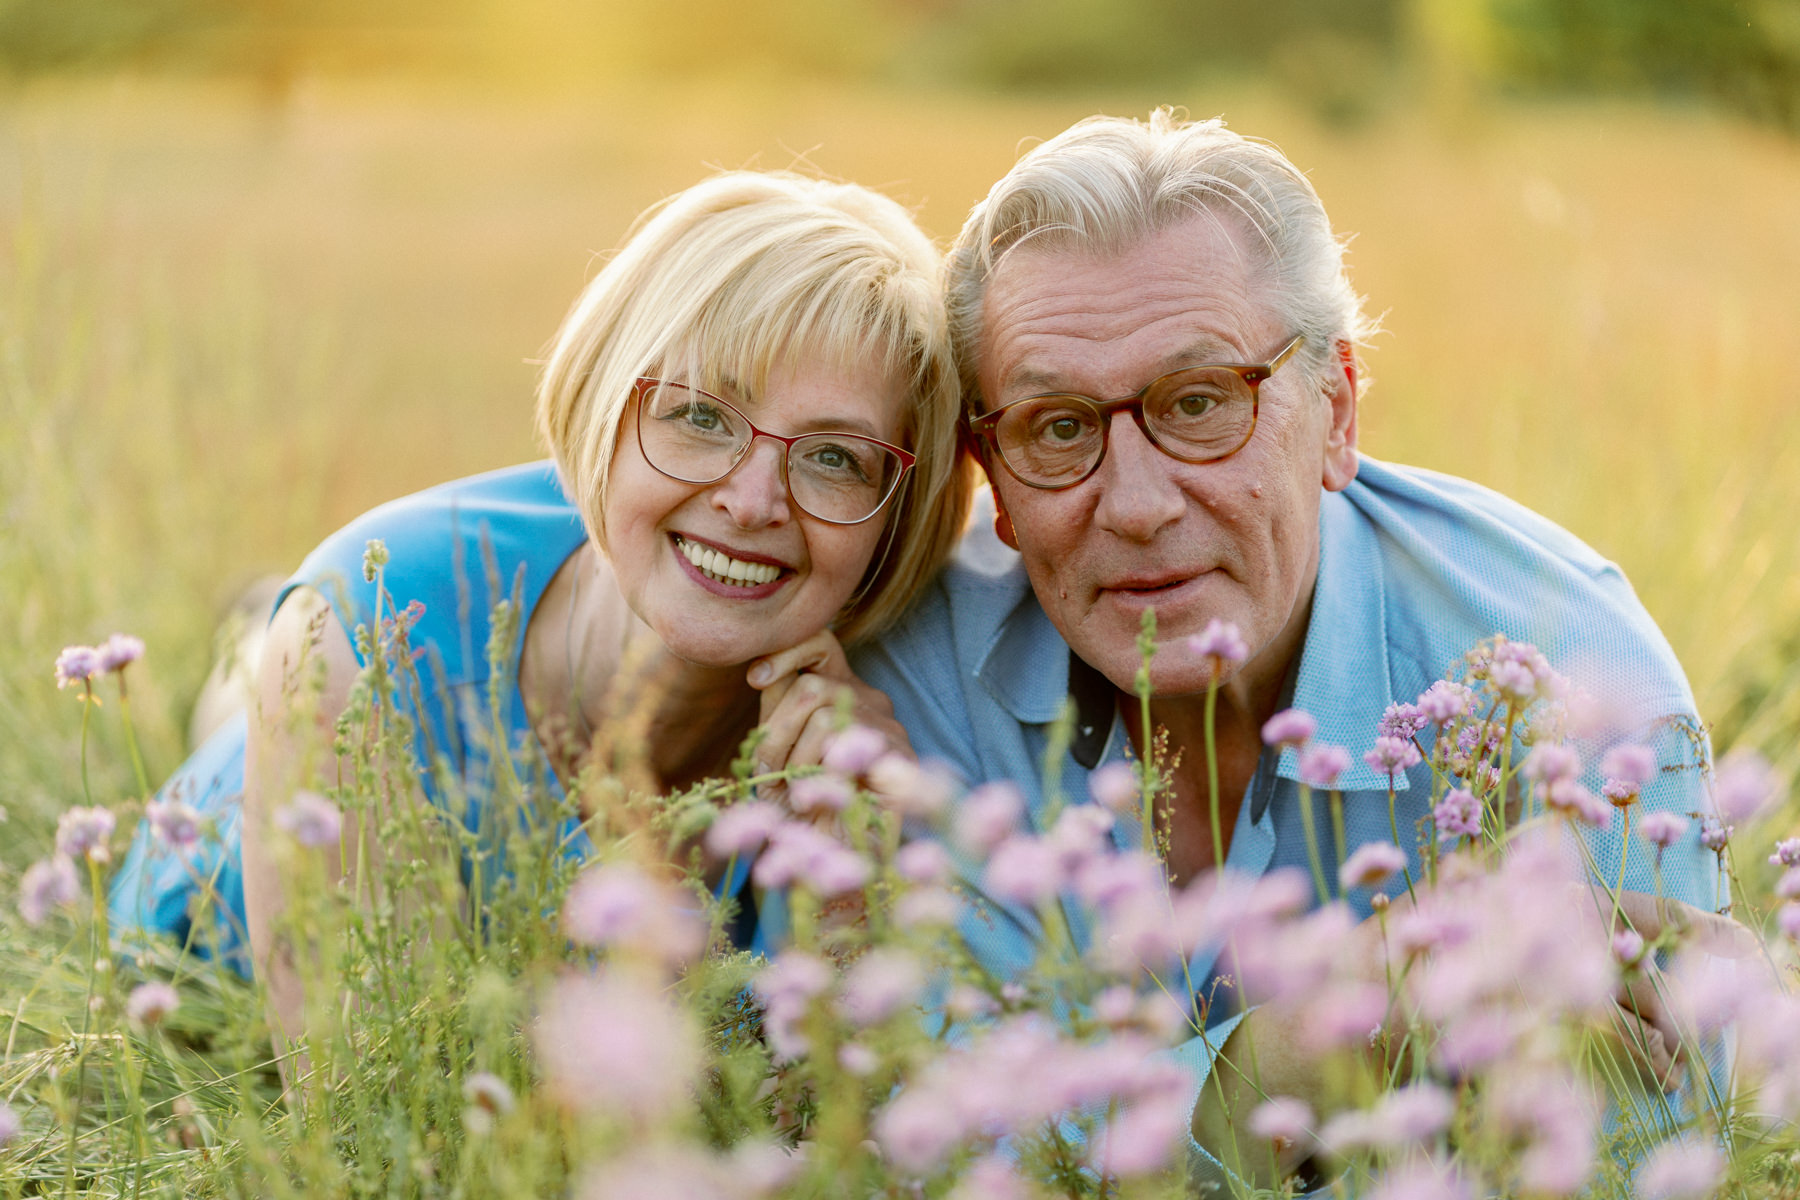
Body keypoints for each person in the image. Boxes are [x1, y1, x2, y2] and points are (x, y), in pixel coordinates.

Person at [848, 110, 1724, 1185]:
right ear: (991, 473)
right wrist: (1307, 1044)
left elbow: (1642, 1159)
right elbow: (925, 1148)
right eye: (1058, 427)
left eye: (1200, 401)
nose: (1135, 504)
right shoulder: (919, 668)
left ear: (1339, 411)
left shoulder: (1572, 682)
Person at [109, 172, 975, 1039]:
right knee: (278, 666)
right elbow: (365, 1134)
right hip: (275, 792)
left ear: (897, 519)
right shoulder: (360, 640)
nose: (753, 501)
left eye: (835, 458)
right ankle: (246, 648)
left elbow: (827, 1135)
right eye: (700, 414)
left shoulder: (883, 724)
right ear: (604, 403)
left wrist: (848, 907)